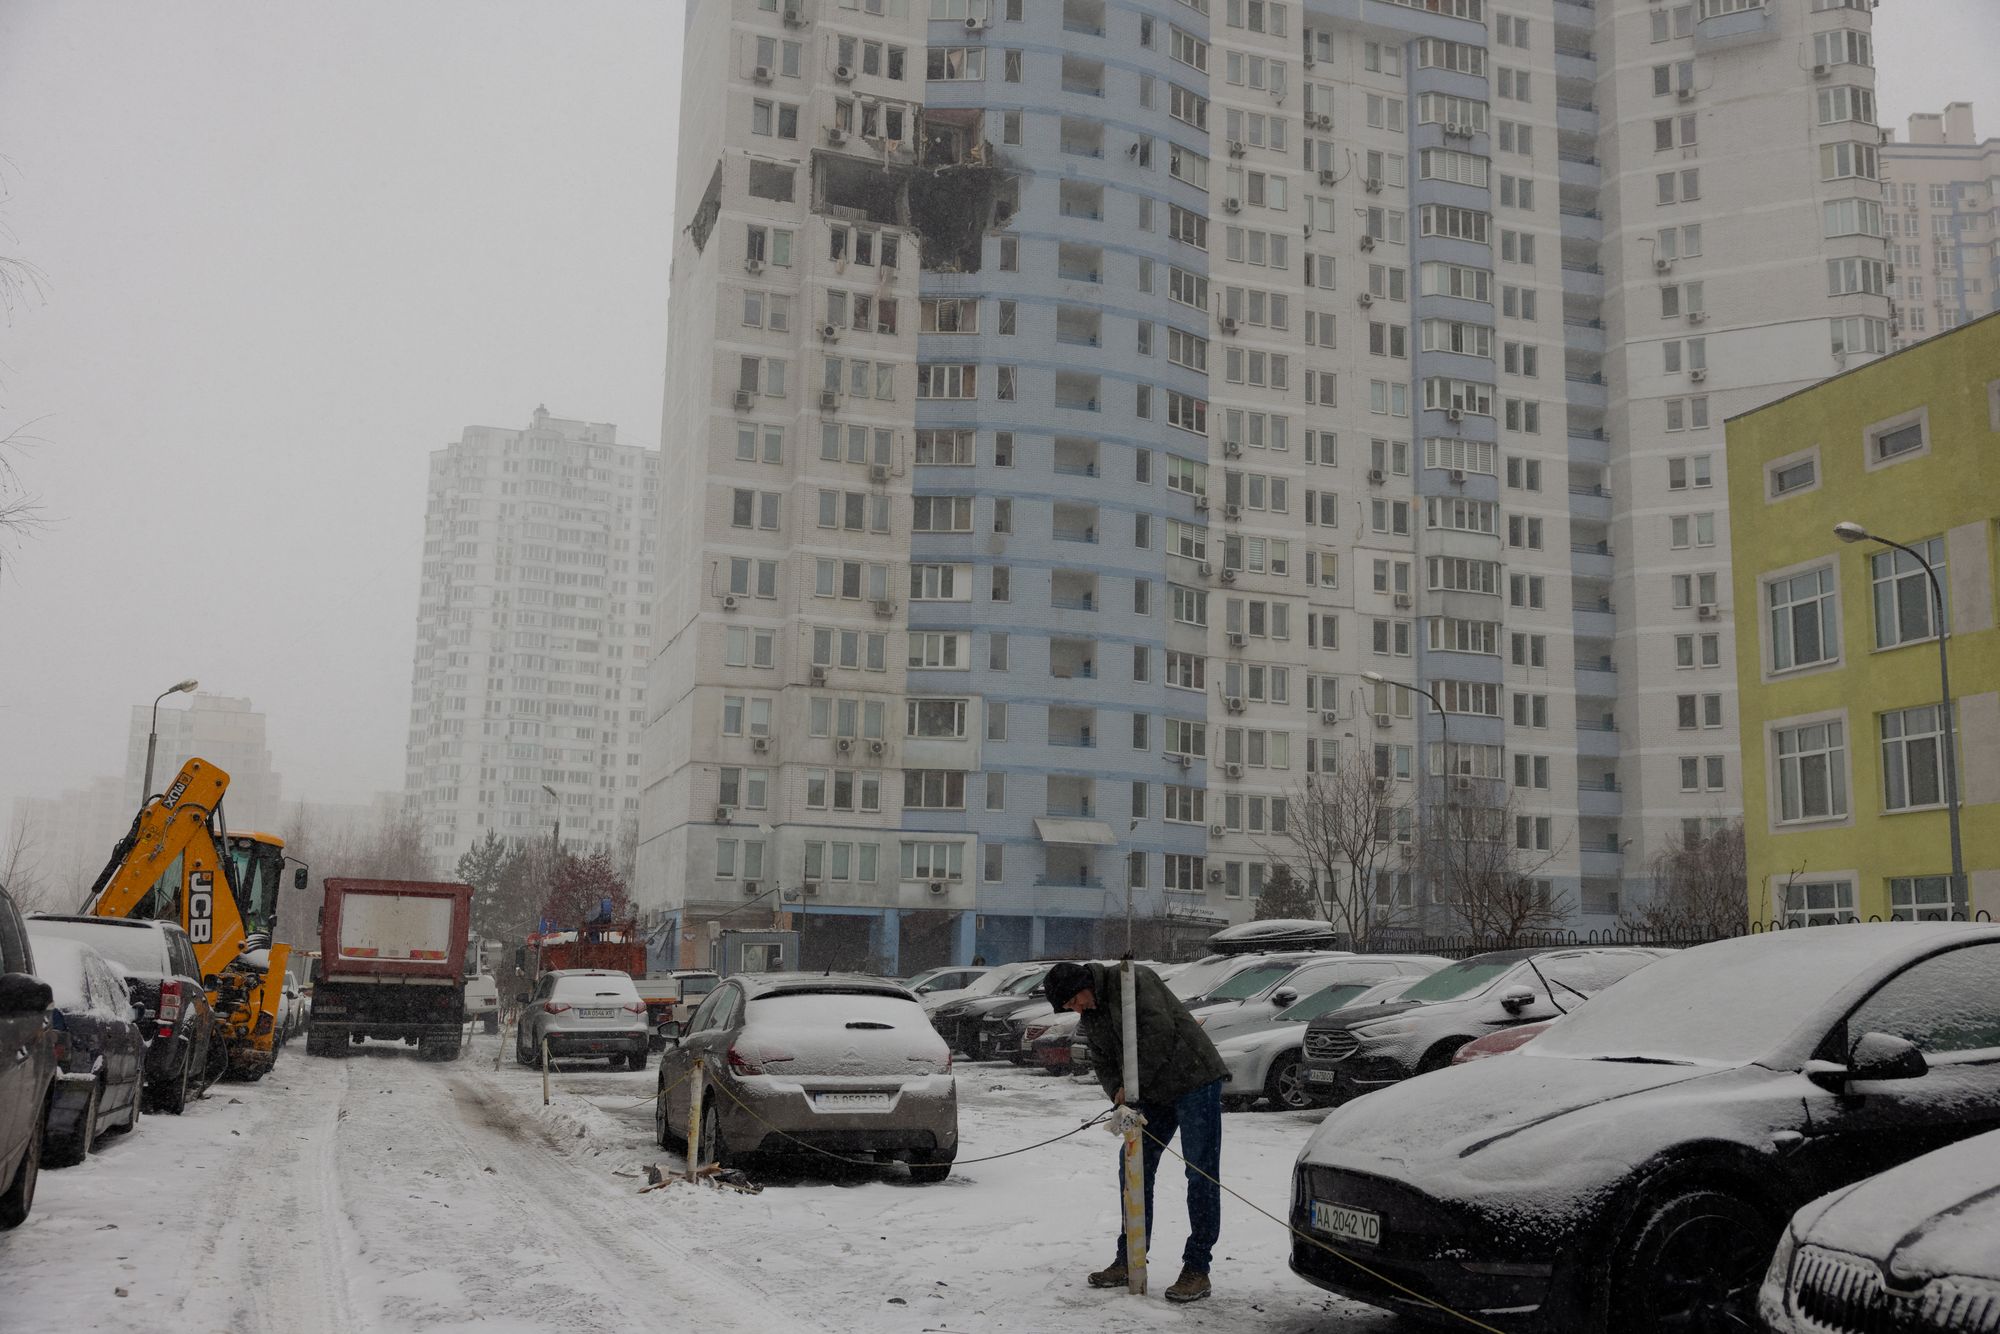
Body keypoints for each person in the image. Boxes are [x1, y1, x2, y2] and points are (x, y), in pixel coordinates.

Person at [1044, 959, 1226, 1304]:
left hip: (1193, 1080)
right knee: (1133, 1168)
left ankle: (1197, 1267)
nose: (1075, 1009)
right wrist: (1116, 1090)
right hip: (1152, 1090)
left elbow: (1159, 1032)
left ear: (1084, 984)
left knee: (1200, 1171)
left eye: (1073, 1001)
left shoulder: (1134, 980)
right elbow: (1102, 1060)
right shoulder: (1091, 1015)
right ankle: (1129, 1257)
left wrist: (1132, 1086)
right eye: (1068, 1007)